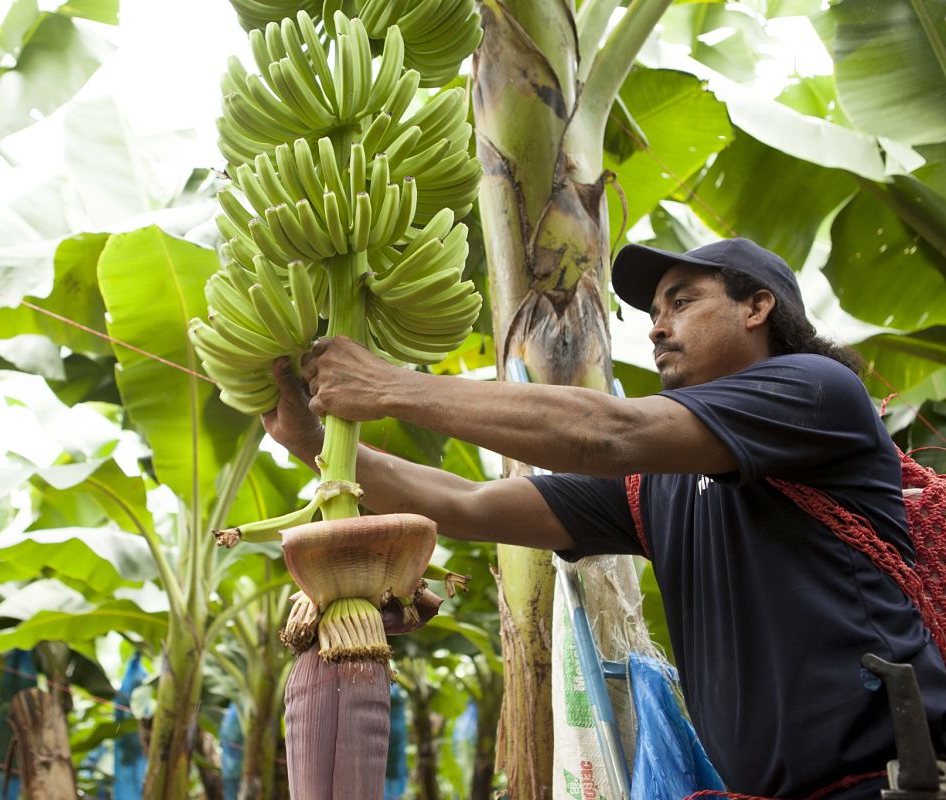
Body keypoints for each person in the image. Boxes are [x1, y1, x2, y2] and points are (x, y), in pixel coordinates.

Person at [262, 237, 946, 798]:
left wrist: (394, 388)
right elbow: (464, 505)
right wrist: (311, 444)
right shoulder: (658, 485)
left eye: (682, 302)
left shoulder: (816, 393)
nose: (656, 325)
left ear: (757, 307)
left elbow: (607, 432)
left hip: (887, 783)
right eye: (654, 310)